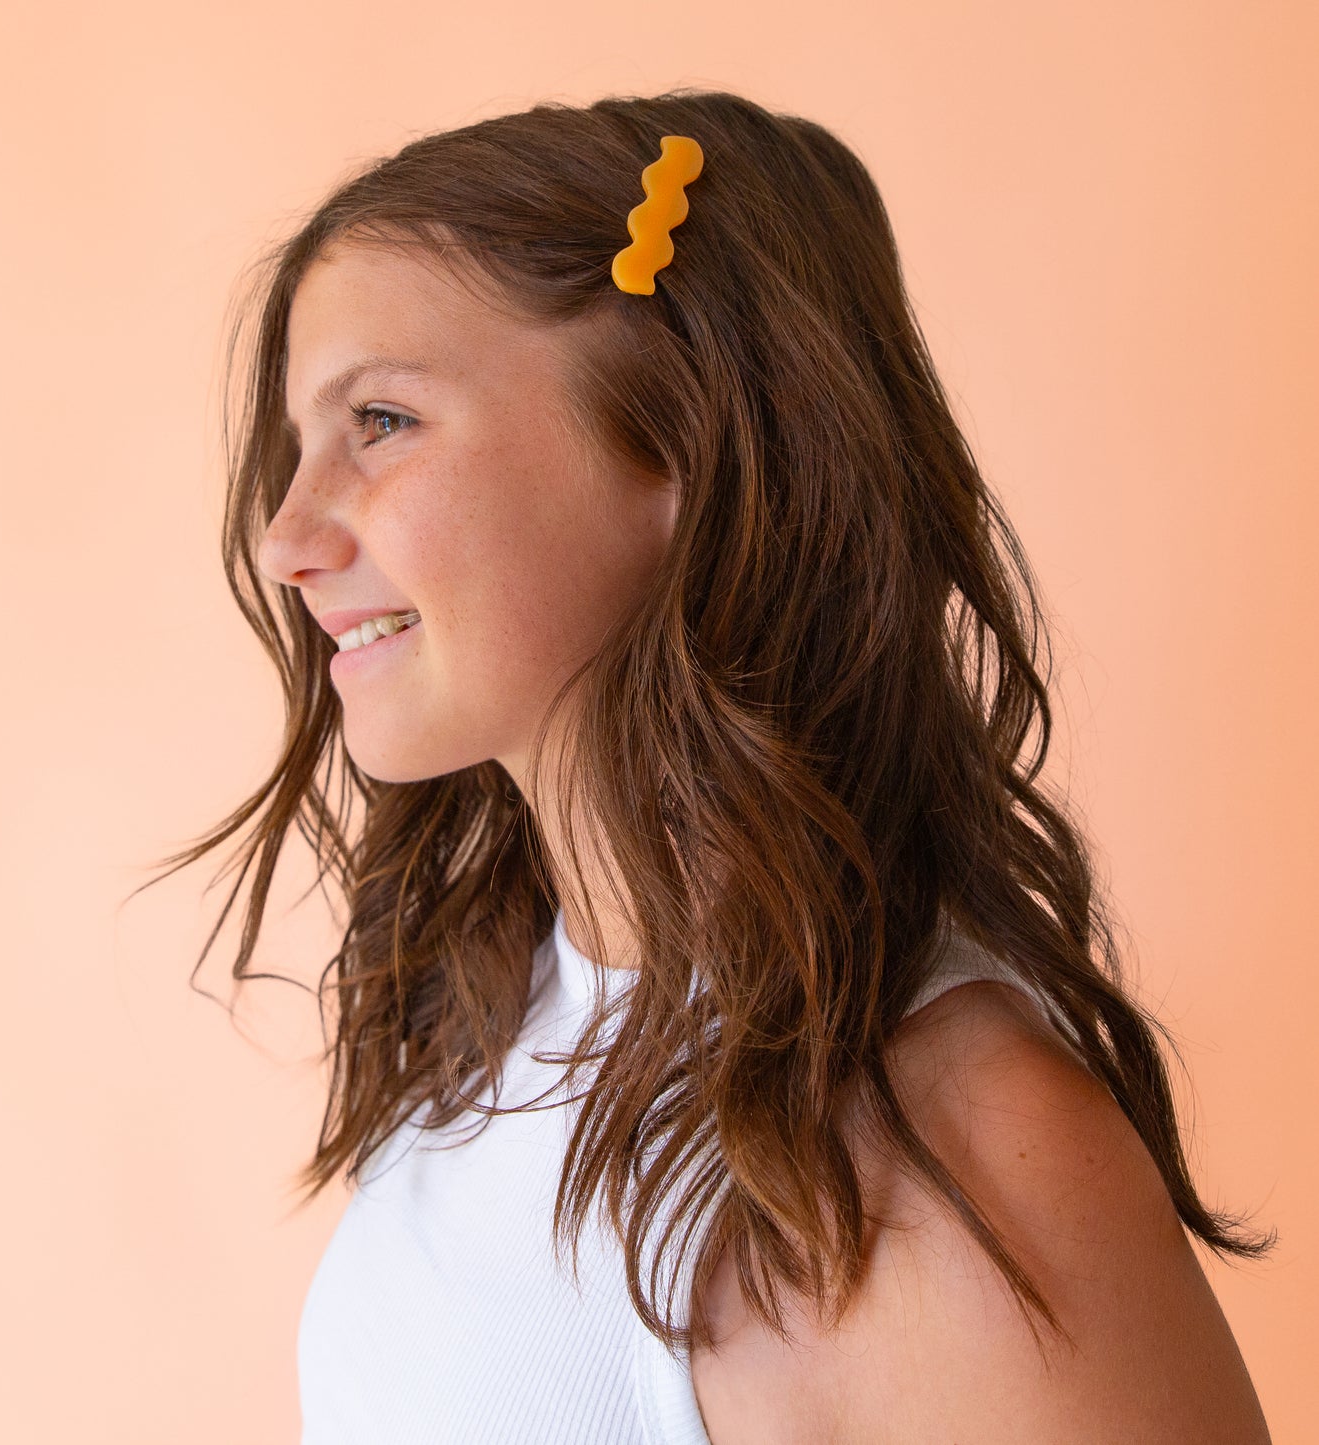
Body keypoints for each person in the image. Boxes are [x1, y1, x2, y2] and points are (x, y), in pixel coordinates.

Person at [152, 89, 1276, 1441]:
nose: (285, 537)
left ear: (679, 437)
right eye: (295, 446)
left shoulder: (957, 1157)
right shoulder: (504, 1028)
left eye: (380, 421)